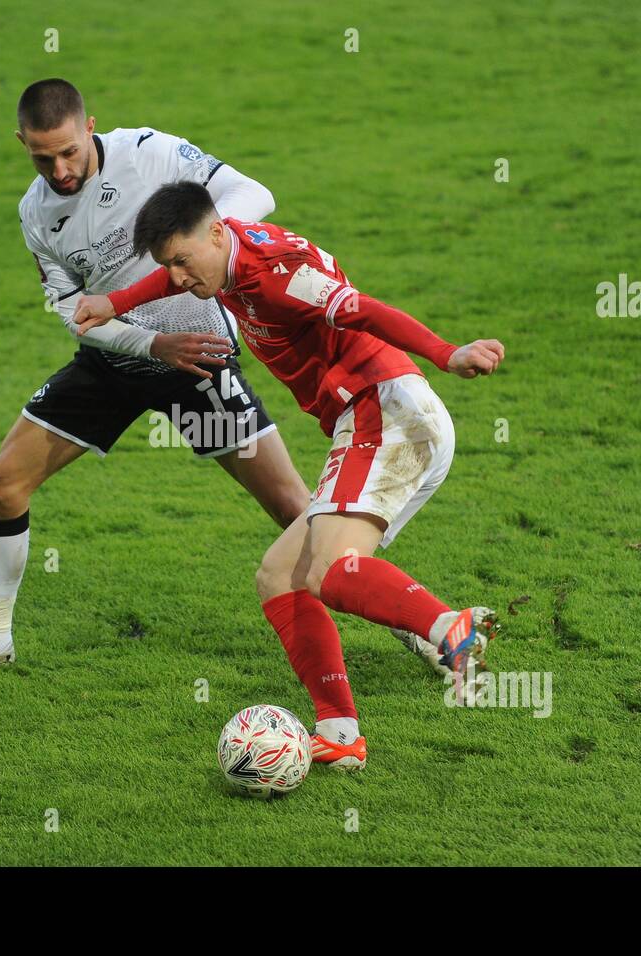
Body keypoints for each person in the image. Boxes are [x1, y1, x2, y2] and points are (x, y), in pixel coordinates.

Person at [73, 182, 506, 768]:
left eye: (182, 262)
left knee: (328, 571)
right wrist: (117, 302)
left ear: (218, 233)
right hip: (371, 418)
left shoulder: (274, 273)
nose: (176, 280)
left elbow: (360, 308)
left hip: (387, 412)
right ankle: (341, 731)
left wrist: (446, 352)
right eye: (166, 266)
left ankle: (450, 629)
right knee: (280, 575)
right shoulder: (221, 257)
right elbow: (175, 269)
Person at [0, 80, 309, 672]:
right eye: (43, 157)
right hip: (117, 358)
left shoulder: (151, 152)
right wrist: (151, 342)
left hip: (195, 356)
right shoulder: (35, 214)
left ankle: (425, 628)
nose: (61, 169)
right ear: (21, 143)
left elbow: (254, 193)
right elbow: (76, 313)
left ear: (90, 126)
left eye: (70, 151)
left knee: (295, 509)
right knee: (0, 486)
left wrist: (202, 241)